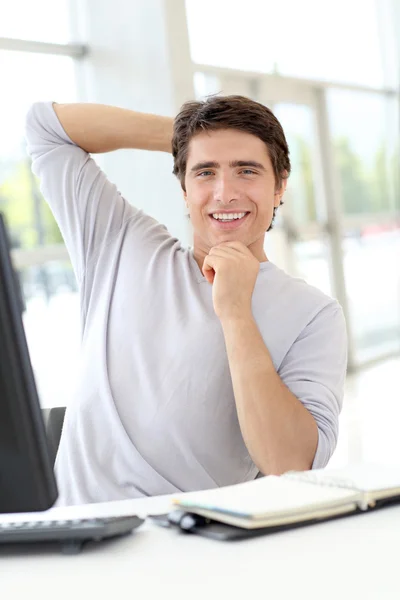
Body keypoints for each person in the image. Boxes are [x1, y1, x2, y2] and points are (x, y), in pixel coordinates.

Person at [24, 95, 347, 506]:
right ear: (183, 188)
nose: (224, 193)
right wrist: (189, 135)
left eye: (246, 170)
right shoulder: (120, 243)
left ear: (280, 184)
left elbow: (291, 464)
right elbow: (47, 129)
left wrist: (235, 313)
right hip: (73, 533)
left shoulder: (313, 314)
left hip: (185, 547)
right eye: (205, 172)